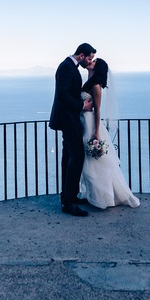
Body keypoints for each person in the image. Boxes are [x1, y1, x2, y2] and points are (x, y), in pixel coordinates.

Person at [79, 58, 140, 209]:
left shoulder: (96, 86)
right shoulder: (89, 81)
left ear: (97, 68)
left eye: (93, 62)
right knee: (90, 161)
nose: (90, 62)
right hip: (83, 121)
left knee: (96, 162)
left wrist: (96, 133)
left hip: (91, 124)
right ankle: (95, 194)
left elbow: (98, 110)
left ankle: (106, 197)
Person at [49, 43, 96, 217]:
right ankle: (68, 203)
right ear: (82, 55)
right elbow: (63, 94)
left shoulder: (68, 66)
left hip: (69, 119)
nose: (89, 61)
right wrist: (82, 105)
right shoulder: (67, 67)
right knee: (76, 157)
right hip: (68, 120)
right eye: (89, 58)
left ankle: (69, 197)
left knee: (69, 157)